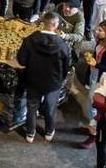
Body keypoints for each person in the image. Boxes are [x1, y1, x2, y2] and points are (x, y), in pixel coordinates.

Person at [16, 12, 72, 142]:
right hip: (53, 83)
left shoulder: (30, 40)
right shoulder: (62, 46)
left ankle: (30, 133)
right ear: (56, 25)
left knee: (31, 106)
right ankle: (49, 131)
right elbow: (66, 67)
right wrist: (60, 79)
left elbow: (21, 60)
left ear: (43, 23)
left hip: (33, 80)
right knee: (50, 107)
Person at [73, 20, 106, 148]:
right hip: (95, 75)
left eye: (100, 31)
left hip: (103, 81)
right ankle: (91, 127)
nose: (97, 32)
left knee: (97, 107)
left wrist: (96, 64)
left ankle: (94, 135)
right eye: (98, 29)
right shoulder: (101, 40)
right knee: (91, 102)